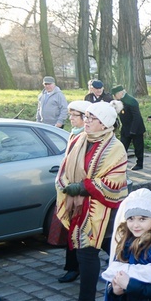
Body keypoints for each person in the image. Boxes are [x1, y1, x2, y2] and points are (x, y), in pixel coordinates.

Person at [55, 101, 128, 301]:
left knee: (101, 249)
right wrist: (66, 184)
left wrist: (83, 187)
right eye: (85, 117)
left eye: (91, 118)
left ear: (104, 122)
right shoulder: (78, 139)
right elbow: (65, 167)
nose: (85, 121)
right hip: (79, 208)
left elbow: (114, 179)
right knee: (94, 251)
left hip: (102, 209)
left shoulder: (115, 147)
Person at [54, 100, 93, 284]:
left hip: (81, 191)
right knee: (72, 230)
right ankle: (72, 266)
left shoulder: (87, 137)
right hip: (70, 188)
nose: (70, 118)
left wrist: (76, 185)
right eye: (70, 115)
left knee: (83, 231)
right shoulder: (74, 134)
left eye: (74, 115)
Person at [112, 85, 146, 171]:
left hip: (136, 128)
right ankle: (119, 164)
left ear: (120, 93)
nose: (114, 97)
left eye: (115, 94)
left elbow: (136, 116)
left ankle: (139, 163)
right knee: (122, 146)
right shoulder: (119, 101)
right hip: (125, 127)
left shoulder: (131, 100)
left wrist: (133, 130)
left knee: (138, 147)